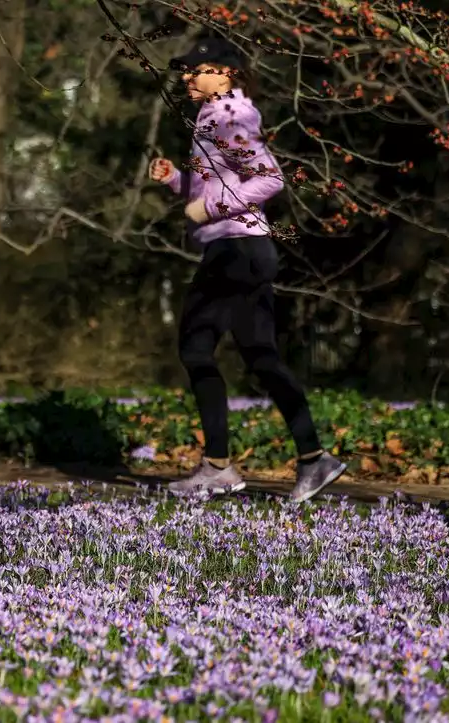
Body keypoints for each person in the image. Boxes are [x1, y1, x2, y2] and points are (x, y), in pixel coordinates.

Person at [148, 35, 346, 503]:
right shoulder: (213, 118)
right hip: (246, 249)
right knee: (260, 357)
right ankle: (314, 459)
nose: (187, 77)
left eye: (198, 69)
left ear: (227, 73)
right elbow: (220, 185)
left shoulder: (229, 118)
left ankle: (218, 466)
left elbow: (268, 178)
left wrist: (207, 208)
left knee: (197, 349)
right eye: (185, 71)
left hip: (235, 251)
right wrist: (176, 181)